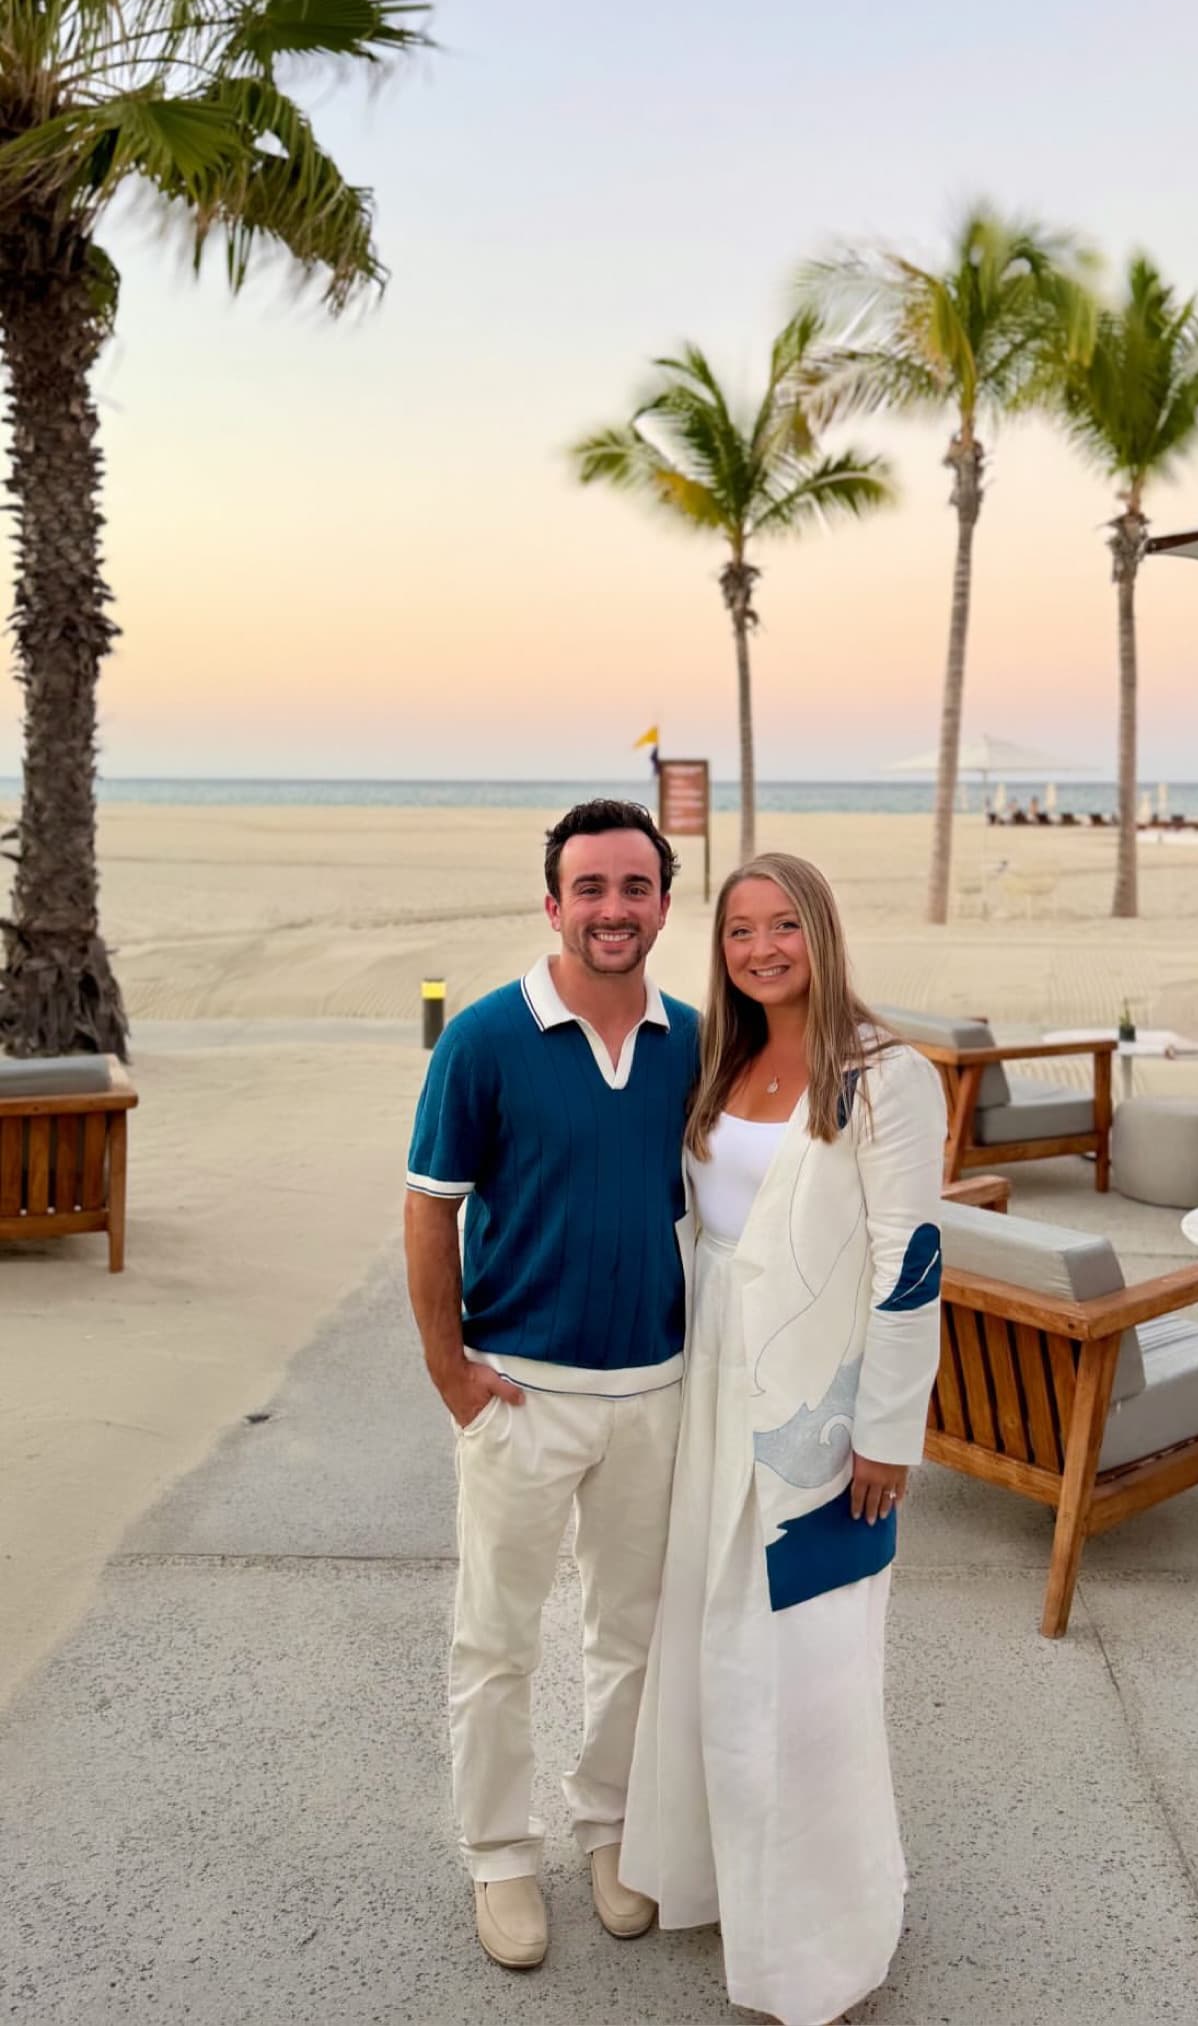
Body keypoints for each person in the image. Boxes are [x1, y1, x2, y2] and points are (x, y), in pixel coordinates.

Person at [622, 852, 945, 2026]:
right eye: (740, 930)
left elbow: (912, 1263)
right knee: (711, 1638)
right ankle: (718, 1880)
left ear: (822, 931)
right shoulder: (725, 1059)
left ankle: (821, 1942)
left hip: (819, 1409)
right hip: (709, 1384)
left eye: (783, 926)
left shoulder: (886, 1076)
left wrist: (887, 1433)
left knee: (808, 1665)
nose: (761, 948)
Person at [403, 799, 700, 1971]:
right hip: (520, 1392)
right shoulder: (483, 1039)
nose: (612, 909)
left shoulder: (694, 1043)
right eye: (591, 888)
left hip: (656, 1390)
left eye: (634, 887)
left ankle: (610, 1831)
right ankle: (498, 1857)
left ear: (664, 906)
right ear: (553, 904)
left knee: (631, 1634)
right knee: (497, 1643)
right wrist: (451, 1370)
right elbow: (431, 1207)